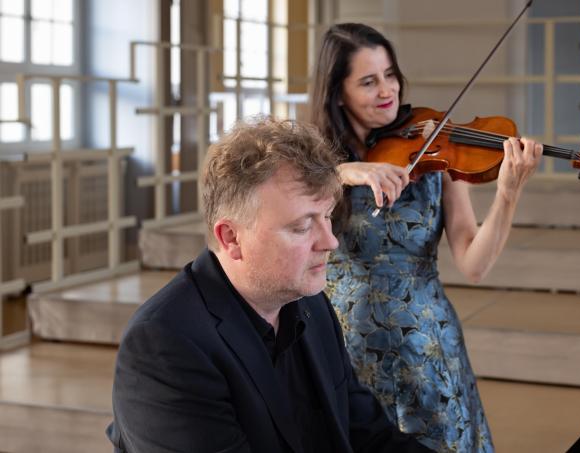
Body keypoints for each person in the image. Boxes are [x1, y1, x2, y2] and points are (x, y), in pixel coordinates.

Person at [106, 117, 434, 453]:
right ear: (231, 238)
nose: (330, 242)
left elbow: (370, 436)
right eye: (302, 227)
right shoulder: (163, 345)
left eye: (326, 217)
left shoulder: (312, 305)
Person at [311, 23, 543, 453]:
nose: (388, 90)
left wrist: (507, 194)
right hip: (345, 348)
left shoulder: (435, 153)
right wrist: (345, 171)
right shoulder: (316, 161)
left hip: (426, 346)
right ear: (338, 93)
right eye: (368, 81)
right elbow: (282, 198)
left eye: (390, 75)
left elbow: (474, 264)